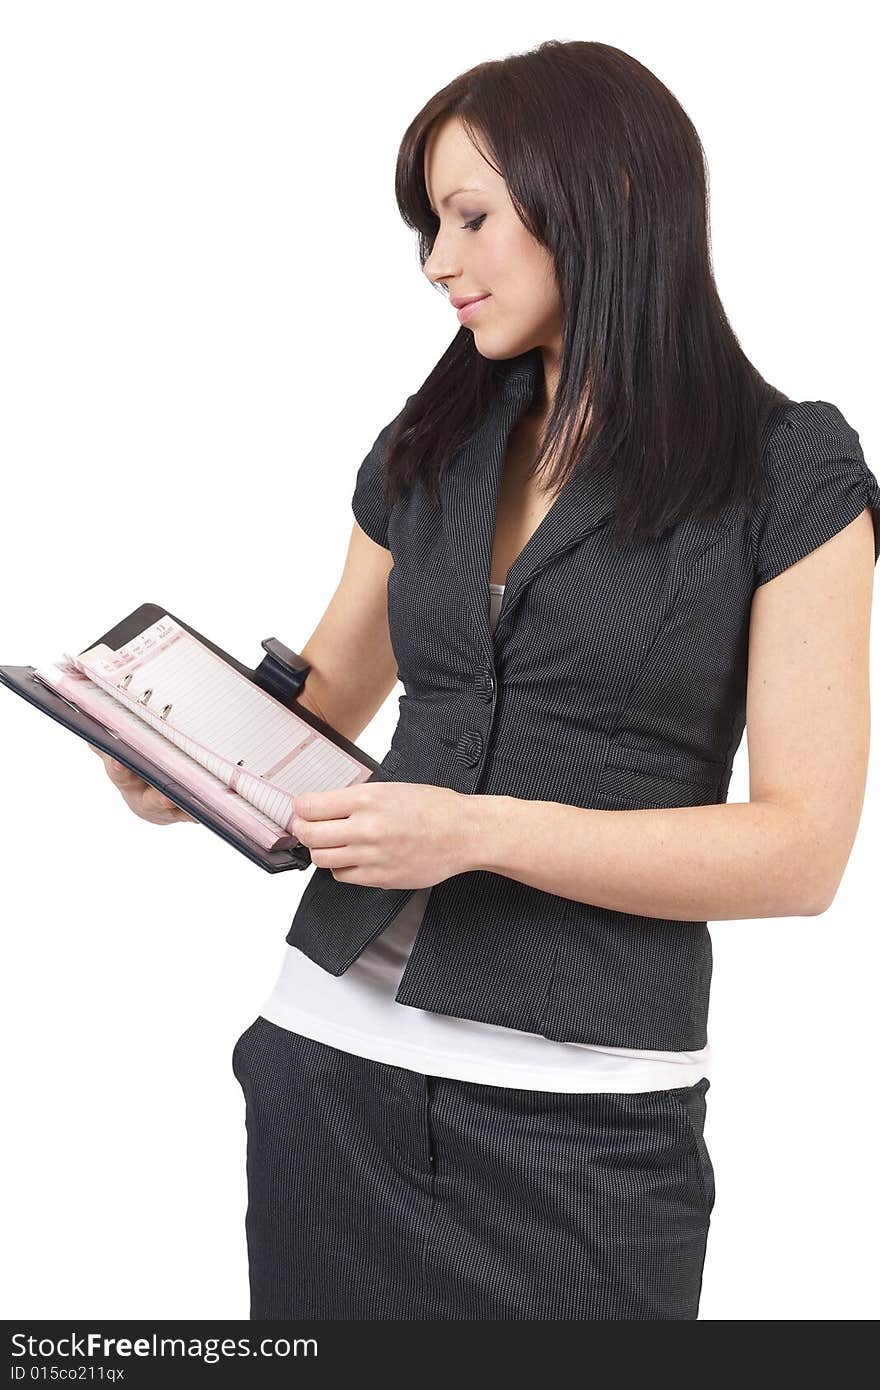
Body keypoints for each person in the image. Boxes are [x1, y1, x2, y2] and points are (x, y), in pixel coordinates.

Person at [91, 40, 880, 1320]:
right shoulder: (429, 443)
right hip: (326, 1069)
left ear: (608, 197)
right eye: (427, 227)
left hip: (587, 1133)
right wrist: (181, 762)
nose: (436, 263)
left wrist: (472, 833)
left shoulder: (788, 473)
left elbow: (799, 854)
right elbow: (327, 699)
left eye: (469, 218)